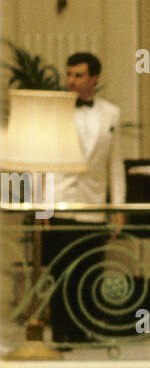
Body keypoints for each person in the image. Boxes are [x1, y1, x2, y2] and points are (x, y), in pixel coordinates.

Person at [44, 52, 124, 342]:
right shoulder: (54, 110)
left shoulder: (111, 113)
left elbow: (115, 165)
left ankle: (85, 330)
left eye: (78, 75)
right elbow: (44, 163)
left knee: (89, 269)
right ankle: (62, 333)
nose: (71, 81)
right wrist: (43, 211)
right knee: (60, 271)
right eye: (69, 75)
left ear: (94, 78)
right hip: (60, 203)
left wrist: (117, 208)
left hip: (92, 204)